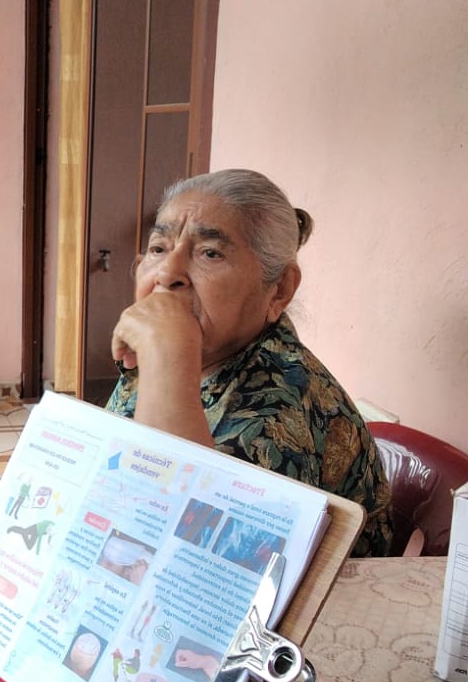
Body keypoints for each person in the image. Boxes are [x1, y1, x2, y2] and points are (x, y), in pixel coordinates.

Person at [108, 168, 391, 556]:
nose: (168, 273)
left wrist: (166, 356)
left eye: (210, 253)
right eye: (159, 248)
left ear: (279, 290)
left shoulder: (279, 411)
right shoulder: (174, 345)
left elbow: (171, 555)